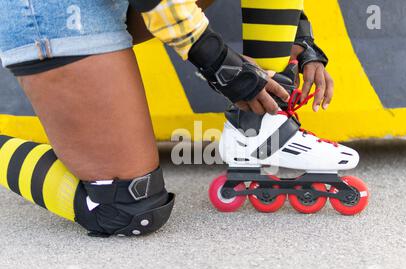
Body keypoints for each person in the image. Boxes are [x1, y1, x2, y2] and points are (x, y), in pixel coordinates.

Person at [0, 0, 331, 237]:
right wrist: (221, 66)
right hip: (55, 11)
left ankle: (262, 126)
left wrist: (298, 40)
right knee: (126, 207)